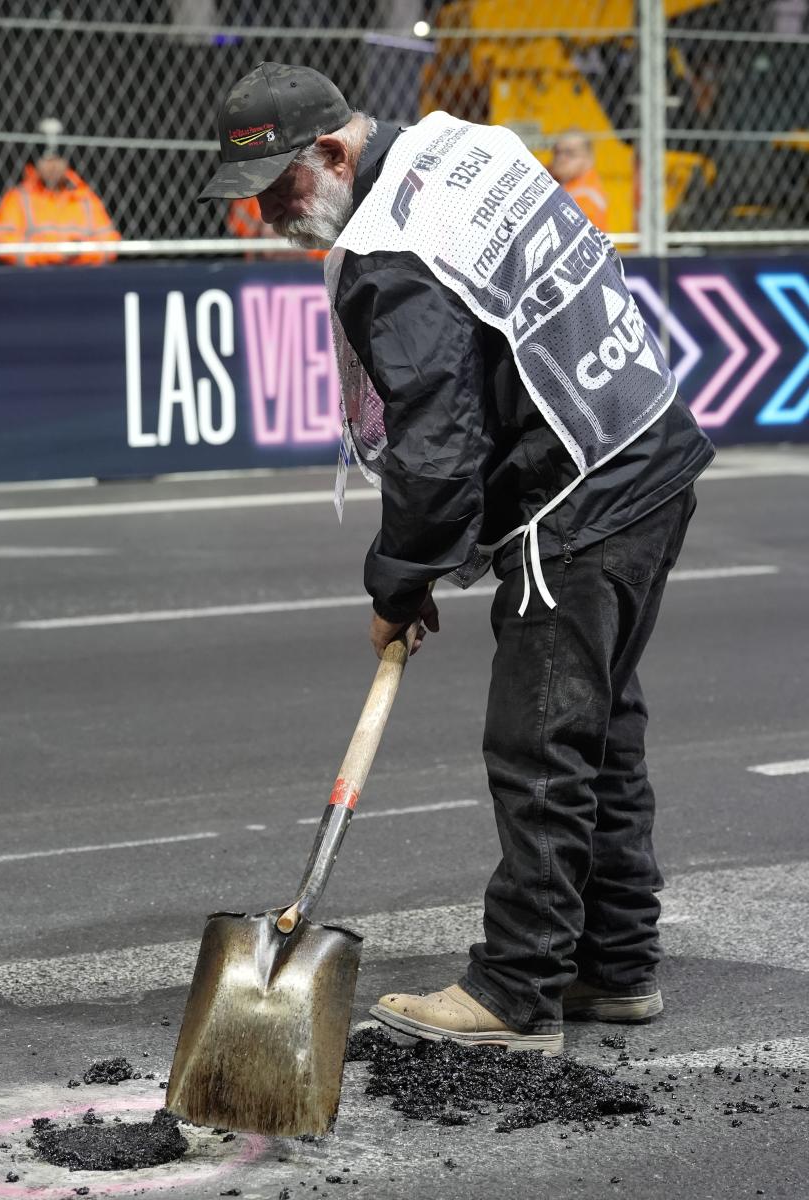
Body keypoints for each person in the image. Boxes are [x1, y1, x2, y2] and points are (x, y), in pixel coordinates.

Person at [199, 63, 714, 1055]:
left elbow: (438, 448)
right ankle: (614, 966)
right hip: (645, 447)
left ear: (336, 155)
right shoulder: (460, 144)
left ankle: (517, 990)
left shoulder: (393, 248)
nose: (266, 217)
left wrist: (399, 580)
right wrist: (428, 558)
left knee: (541, 745)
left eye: (277, 192)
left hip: (581, 495)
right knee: (601, 732)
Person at [0, 151, 120, 266]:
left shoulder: (85, 198)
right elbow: (3, 242)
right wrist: (51, 253)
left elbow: (110, 241)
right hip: (34, 276)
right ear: (36, 163)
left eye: (58, 159)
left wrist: (79, 252)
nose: (52, 167)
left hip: (82, 273)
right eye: (46, 160)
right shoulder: (18, 197)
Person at [549, 130, 610, 232]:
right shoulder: (562, 181)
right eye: (557, 152)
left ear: (588, 158)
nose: (561, 158)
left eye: (570, 153)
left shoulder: (585, 196)